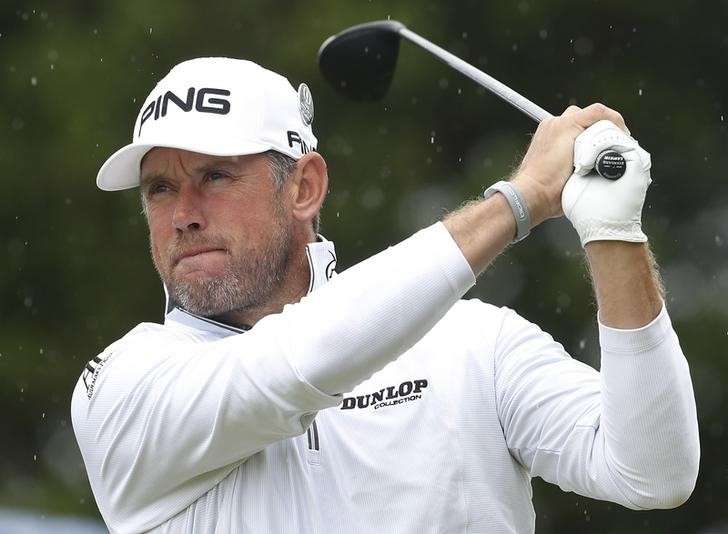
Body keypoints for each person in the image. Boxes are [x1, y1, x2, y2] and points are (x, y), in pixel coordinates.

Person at [71, 57, 700, 534]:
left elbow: (652, 470)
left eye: (214, 176)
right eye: (159, 189)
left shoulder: (472, 343)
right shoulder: (124, 386)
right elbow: (294, 364)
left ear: (304, 187)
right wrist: (520, 200)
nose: (183, 213)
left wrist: (614, 233)